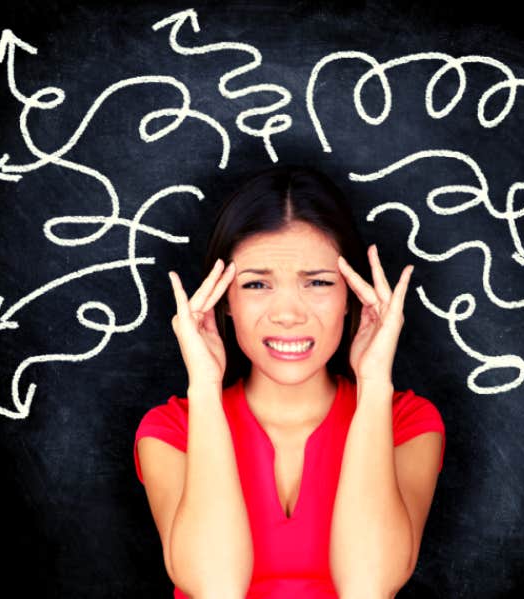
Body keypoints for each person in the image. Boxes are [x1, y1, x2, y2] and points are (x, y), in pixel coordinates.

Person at [133, 165, 445, 598]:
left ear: (351, 295)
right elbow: (214, 587)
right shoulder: (172, 431)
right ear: (225, 301)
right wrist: (203, 386)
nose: (287, 314)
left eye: (317, 282)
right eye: (257, 283)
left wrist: (373, 383)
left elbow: (369, 586)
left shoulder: (406, 423)